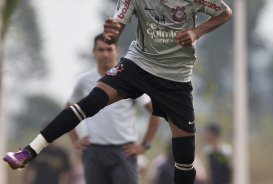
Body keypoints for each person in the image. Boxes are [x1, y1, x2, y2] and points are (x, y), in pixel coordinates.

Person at [3, 1, 232, 183]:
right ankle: (29, 151)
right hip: (139, 65)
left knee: (184, 157)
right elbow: (115, 32)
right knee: (91, 101)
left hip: (176, 77)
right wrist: (111, 34)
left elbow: (224, 13)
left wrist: (195, 32)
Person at [67, 33, 160, 184]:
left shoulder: (129, 79)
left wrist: (144, 145)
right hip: (94, 151)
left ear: (116, 50)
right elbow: (68, 110)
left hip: (123, 151)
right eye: (101, 50)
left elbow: (156, 111)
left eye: (109, 50)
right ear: (94, 52)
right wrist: (76, 141)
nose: (105, 54)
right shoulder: (84, 81)